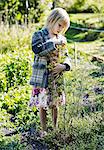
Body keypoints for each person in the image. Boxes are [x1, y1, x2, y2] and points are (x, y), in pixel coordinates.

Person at [29, 7, 71, 137]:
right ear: (52, 20)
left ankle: (55, 128)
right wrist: (53, 43)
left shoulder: (62, 39)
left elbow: (66, 55)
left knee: (55, 104)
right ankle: (44, 129)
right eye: (59, 25)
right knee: (43, 103)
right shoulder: (39, 35)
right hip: (42, 77)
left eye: (63, 28)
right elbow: (37, 49)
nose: (60, 29)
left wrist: (64, 66)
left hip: (55, 77)